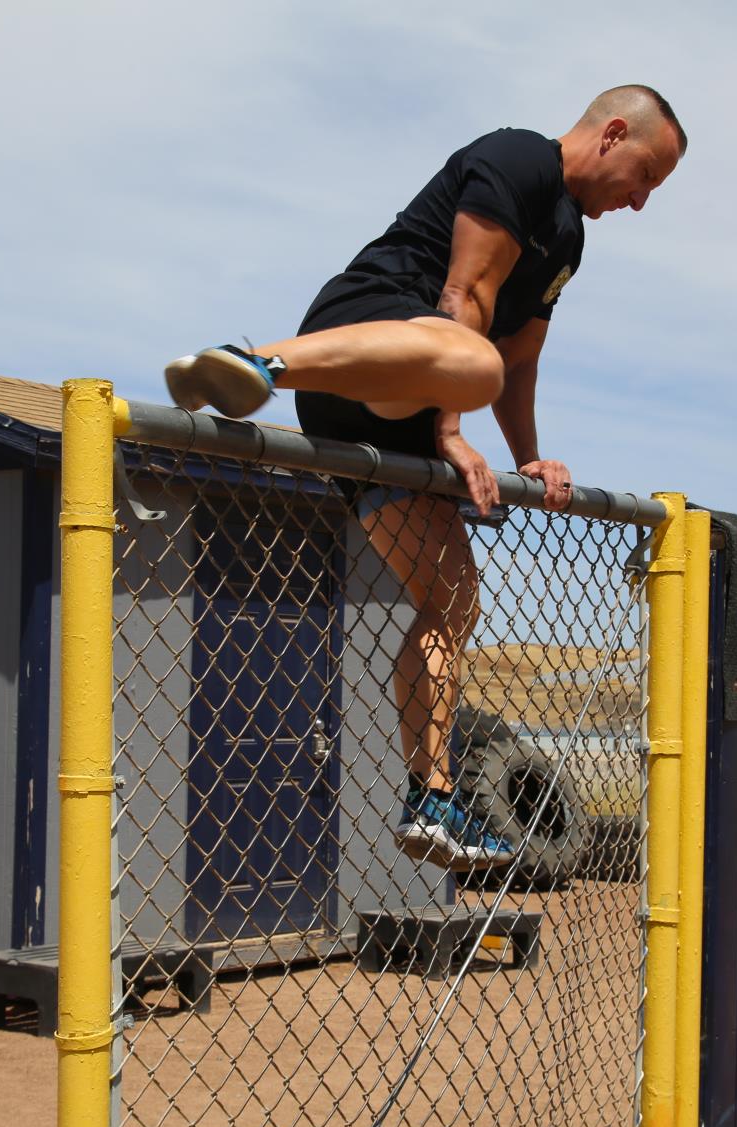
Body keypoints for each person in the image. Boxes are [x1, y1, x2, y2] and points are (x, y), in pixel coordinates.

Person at [164, 85, 686, 871]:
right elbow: (461, 301)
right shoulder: (518, 158)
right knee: (468, 361)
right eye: (645, 176)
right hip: (367, 342)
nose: (642, 202)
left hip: (412, 407)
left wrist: (526, 458)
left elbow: (521, 361)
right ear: (614, 133)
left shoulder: (569, 239)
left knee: (453, 599)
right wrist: (451, 432)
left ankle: (431, 796)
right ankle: (258, 362)